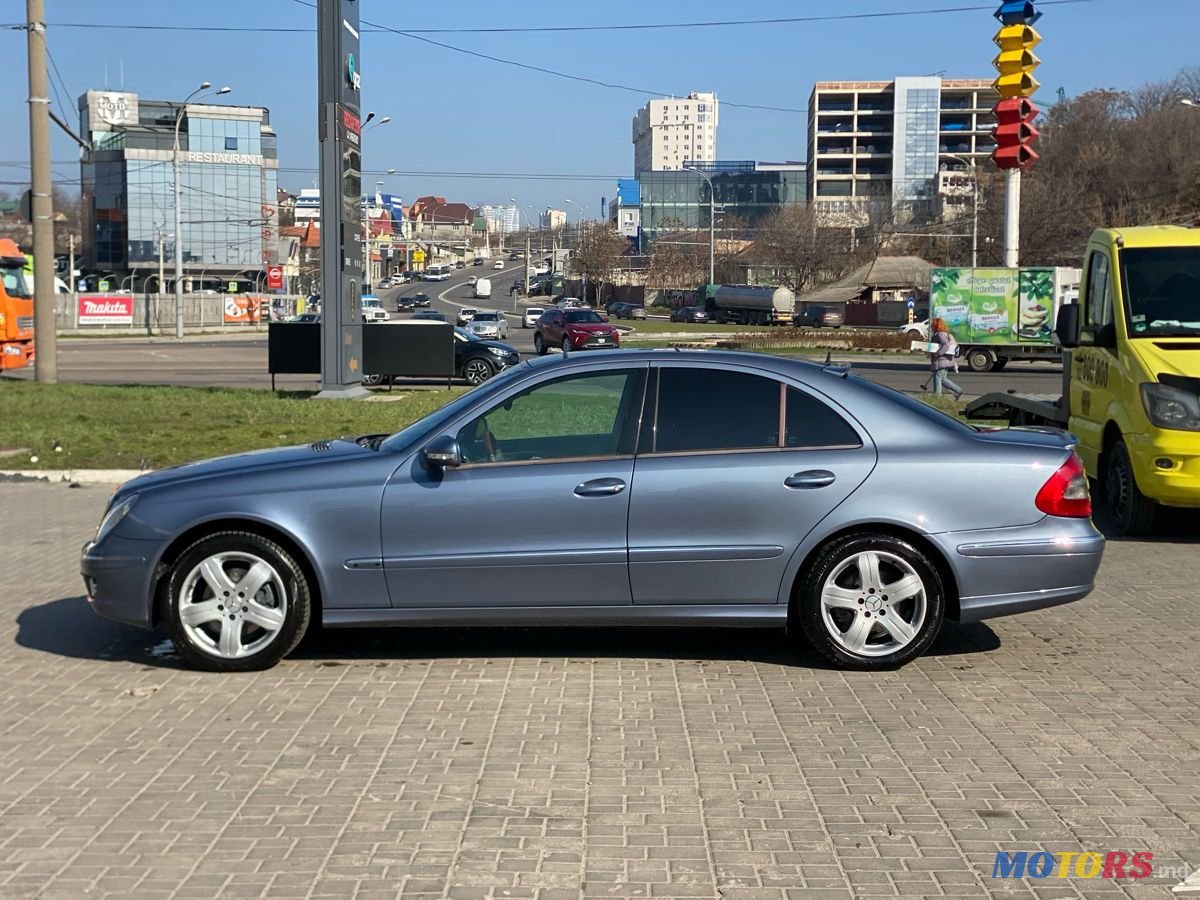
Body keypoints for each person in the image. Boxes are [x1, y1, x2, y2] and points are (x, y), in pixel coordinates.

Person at [927, 318, 964, 399]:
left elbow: (946, 345)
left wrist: (939, 353)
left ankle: (937, 397)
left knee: (938, 377)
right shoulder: (941, 333)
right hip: (944, 360)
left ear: (936, 326)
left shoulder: (940, 334)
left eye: (933, 325)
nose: (931, 326)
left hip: (941, 360)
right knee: (942, 379)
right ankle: (957, 391)